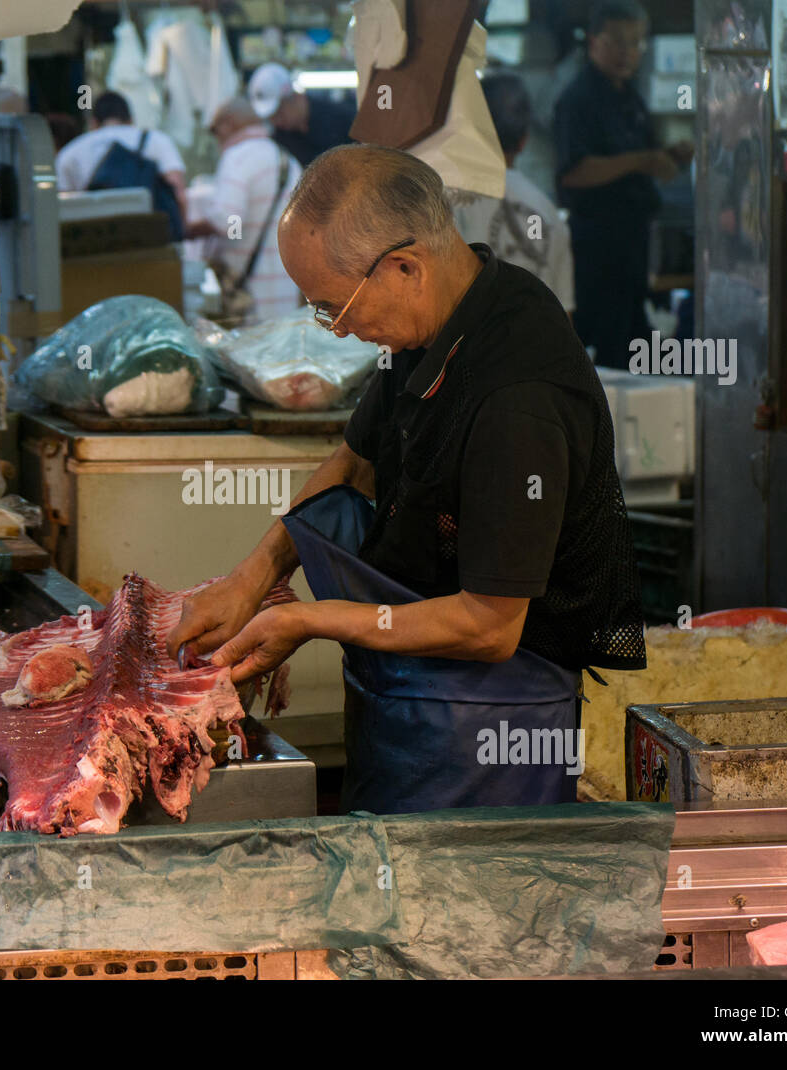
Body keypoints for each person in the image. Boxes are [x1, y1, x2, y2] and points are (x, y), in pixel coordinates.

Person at [166, 145, 646, 814]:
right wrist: (254, 575)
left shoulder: (520, 397)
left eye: (335, 307)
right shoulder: (441, 319)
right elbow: (356, 460)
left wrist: (308, 619)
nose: (337, 328)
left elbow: (489, 625)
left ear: (404, 267)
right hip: (406, 703)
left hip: (491, 730)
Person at [553, 1, 692, 367]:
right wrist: (644, 160)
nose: (627, 53)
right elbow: (574, 171)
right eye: (617, 42)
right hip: (598, 248)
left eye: (636, 43)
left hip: (635, 245)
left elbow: (637, 158)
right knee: (606, 352)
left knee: (639, 348)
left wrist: (668, 155)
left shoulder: (630, 97)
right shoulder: (577, 99)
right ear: (594, 41)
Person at [453, 72, 574, 315]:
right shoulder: (548, 212)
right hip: (540, 349)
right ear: (524, 140)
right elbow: (565, 314)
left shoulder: (449, 205)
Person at [186, 98, 303, 323]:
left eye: (215, 131)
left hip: (249, 299)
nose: (216, 139)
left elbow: (228, 221)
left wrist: (189, 231)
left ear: (228, 125)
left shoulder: (238, 157)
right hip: (285, 292)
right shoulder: (287, 160)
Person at [54, 90, 188, 214]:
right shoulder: (157, 140)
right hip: (149, 231)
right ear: (130, 120)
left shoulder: (70, 152)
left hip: (94, 234)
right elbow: (177, 192)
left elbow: (63, 208)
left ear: (93, 123)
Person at [247, 62, 355, 168]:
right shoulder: (280, 141)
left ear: (295, 96)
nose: (276, 121)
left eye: (279, 112)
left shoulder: (341, 118)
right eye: (271, 117)